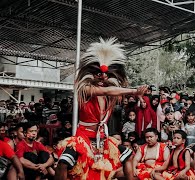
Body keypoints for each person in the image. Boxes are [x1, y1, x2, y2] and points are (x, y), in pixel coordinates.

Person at [54, 38, 148, 180]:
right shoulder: (85, 89)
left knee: (128, 156)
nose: (101, 77)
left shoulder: (110, 95)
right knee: (63, 163)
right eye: (97, 74)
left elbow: (112, 91)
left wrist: (139, 97)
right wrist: (134, 91)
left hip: (103, 140)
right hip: (83, 138)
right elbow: (108, 91)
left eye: (105, 75)